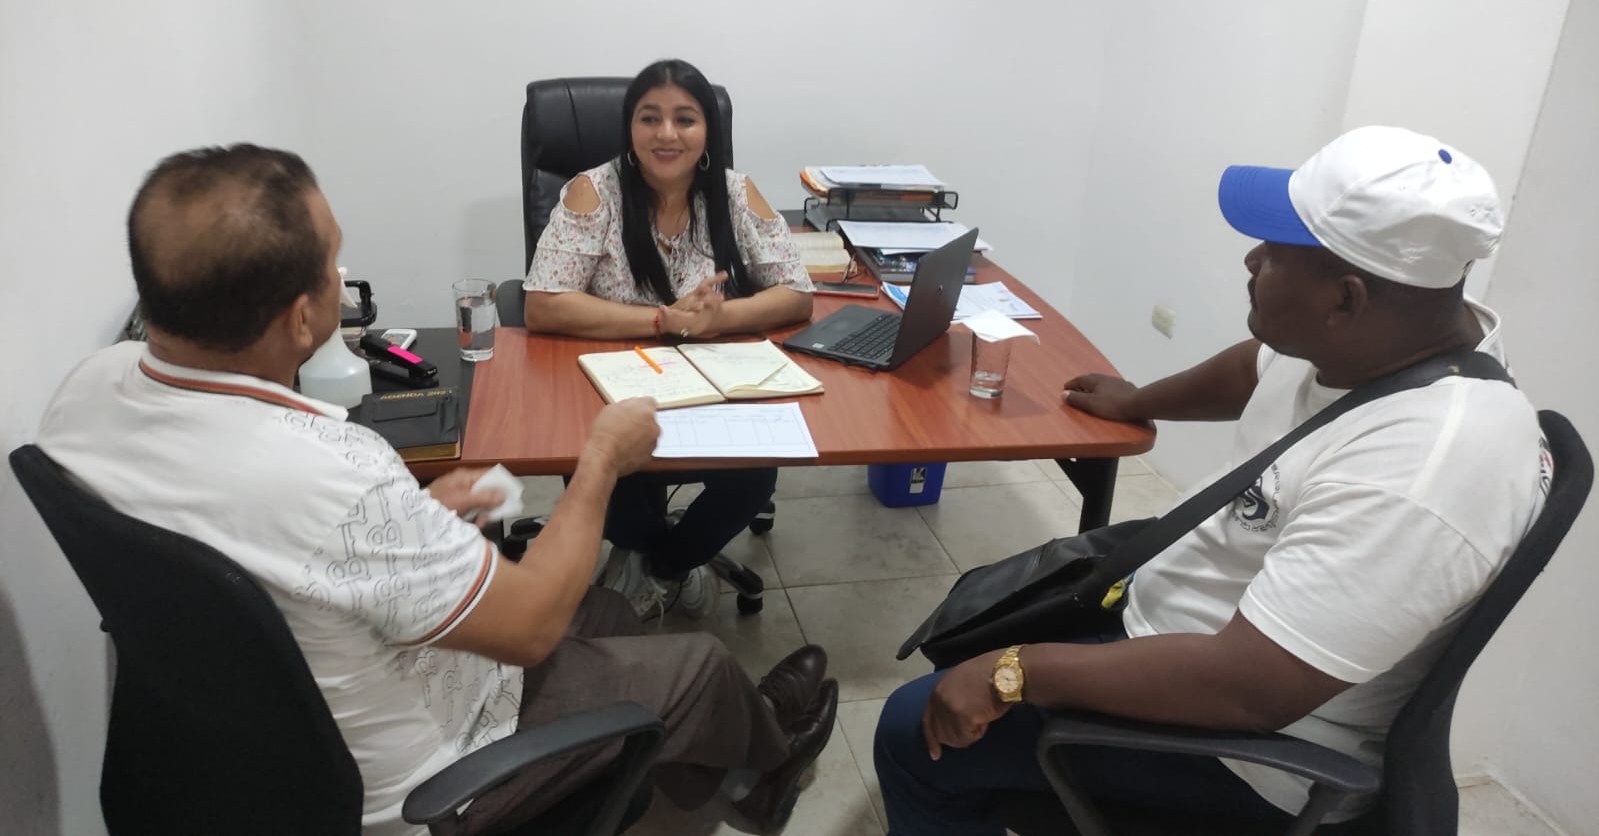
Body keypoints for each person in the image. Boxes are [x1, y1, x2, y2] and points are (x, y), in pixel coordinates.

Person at [36, 144, 839, 835]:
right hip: (422, 786)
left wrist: (408, 515)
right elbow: (528, 629)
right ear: (301, 319)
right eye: (332, 263)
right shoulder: (337, 472)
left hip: (246, 733)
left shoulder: (86, 391)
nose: (340, 274)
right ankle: (764, 777)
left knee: (611, 614)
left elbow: (258, 534)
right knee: (699, 663)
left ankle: (702, 767)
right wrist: (599, 459)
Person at [873, 126, 1553, 833]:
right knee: (974, 619)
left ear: (1345, 300)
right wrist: (1139, 400)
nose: (1250, 259)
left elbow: (1250, 688)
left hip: (1247, 751)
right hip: (1189, 627)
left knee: (911, 729)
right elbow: (1253, 367)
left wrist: (1012, 673)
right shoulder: (1383, 337)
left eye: (1274, 254)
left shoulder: (1424, 466)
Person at [522, 58, 815, 621]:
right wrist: (663, 321)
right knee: (615, 479)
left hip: (714, 381)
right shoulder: (593, 193)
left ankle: (662, 567)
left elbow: (797, 294)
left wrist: (717, 321)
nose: (667, 134)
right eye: (649, 118)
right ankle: (649, 555)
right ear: (630, 128)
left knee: (756, 475)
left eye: (685, 119)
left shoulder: (735, 193)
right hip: (615, 379)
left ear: (707, 132)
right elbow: (543, 303)